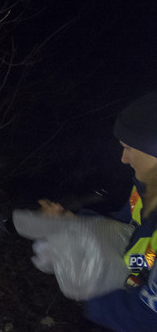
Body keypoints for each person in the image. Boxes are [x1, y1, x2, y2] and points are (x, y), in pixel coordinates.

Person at [37, 91, 157, 331]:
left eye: (130, 148)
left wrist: (88, 287)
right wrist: (72, 222)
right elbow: (125, 229)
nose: (123, 159)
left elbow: (146, 317)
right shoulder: (146, 189)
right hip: (126, 291)